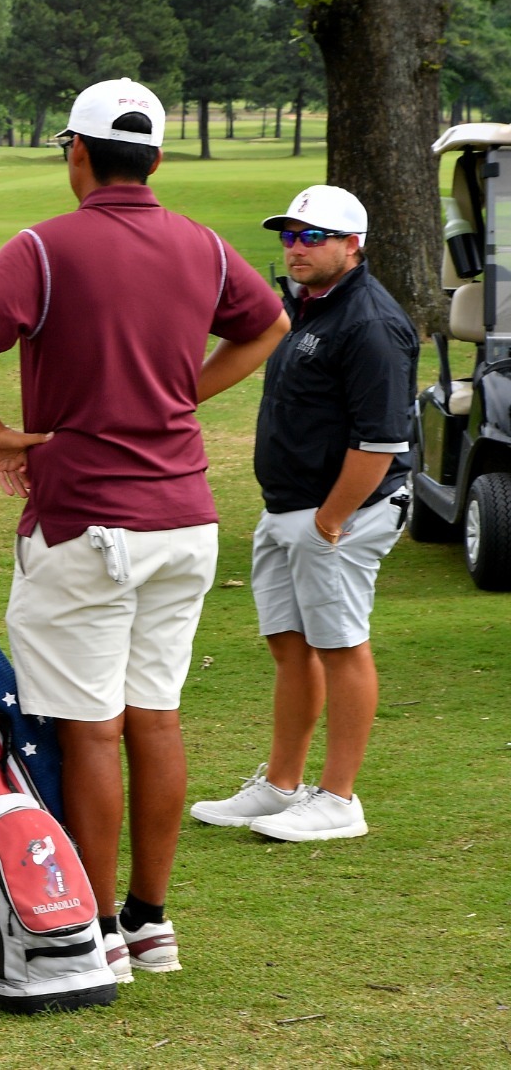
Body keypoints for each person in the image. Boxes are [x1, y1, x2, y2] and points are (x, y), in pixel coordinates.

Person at [0, 79, 288, 988]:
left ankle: (96, 925)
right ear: (156, 159)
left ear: (74, 153)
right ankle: (152, 920)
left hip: (89, 519)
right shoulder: (201, 243)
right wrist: (183, 396)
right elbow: (269, 324)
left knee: (89, 728)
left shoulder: (48, 245)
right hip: (184, 519)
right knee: (154, 716)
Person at [191, 186, 416, 842]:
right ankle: (281, 785)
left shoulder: (369, 322)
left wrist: (331, 519)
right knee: (290, 646)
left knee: (341, 646)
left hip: (344, 513)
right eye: (290, 235)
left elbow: (379, 442)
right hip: (289, 508)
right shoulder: (305, 308)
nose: (296, 247)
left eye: (313, 236)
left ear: (354, 244)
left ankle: (339, 799)